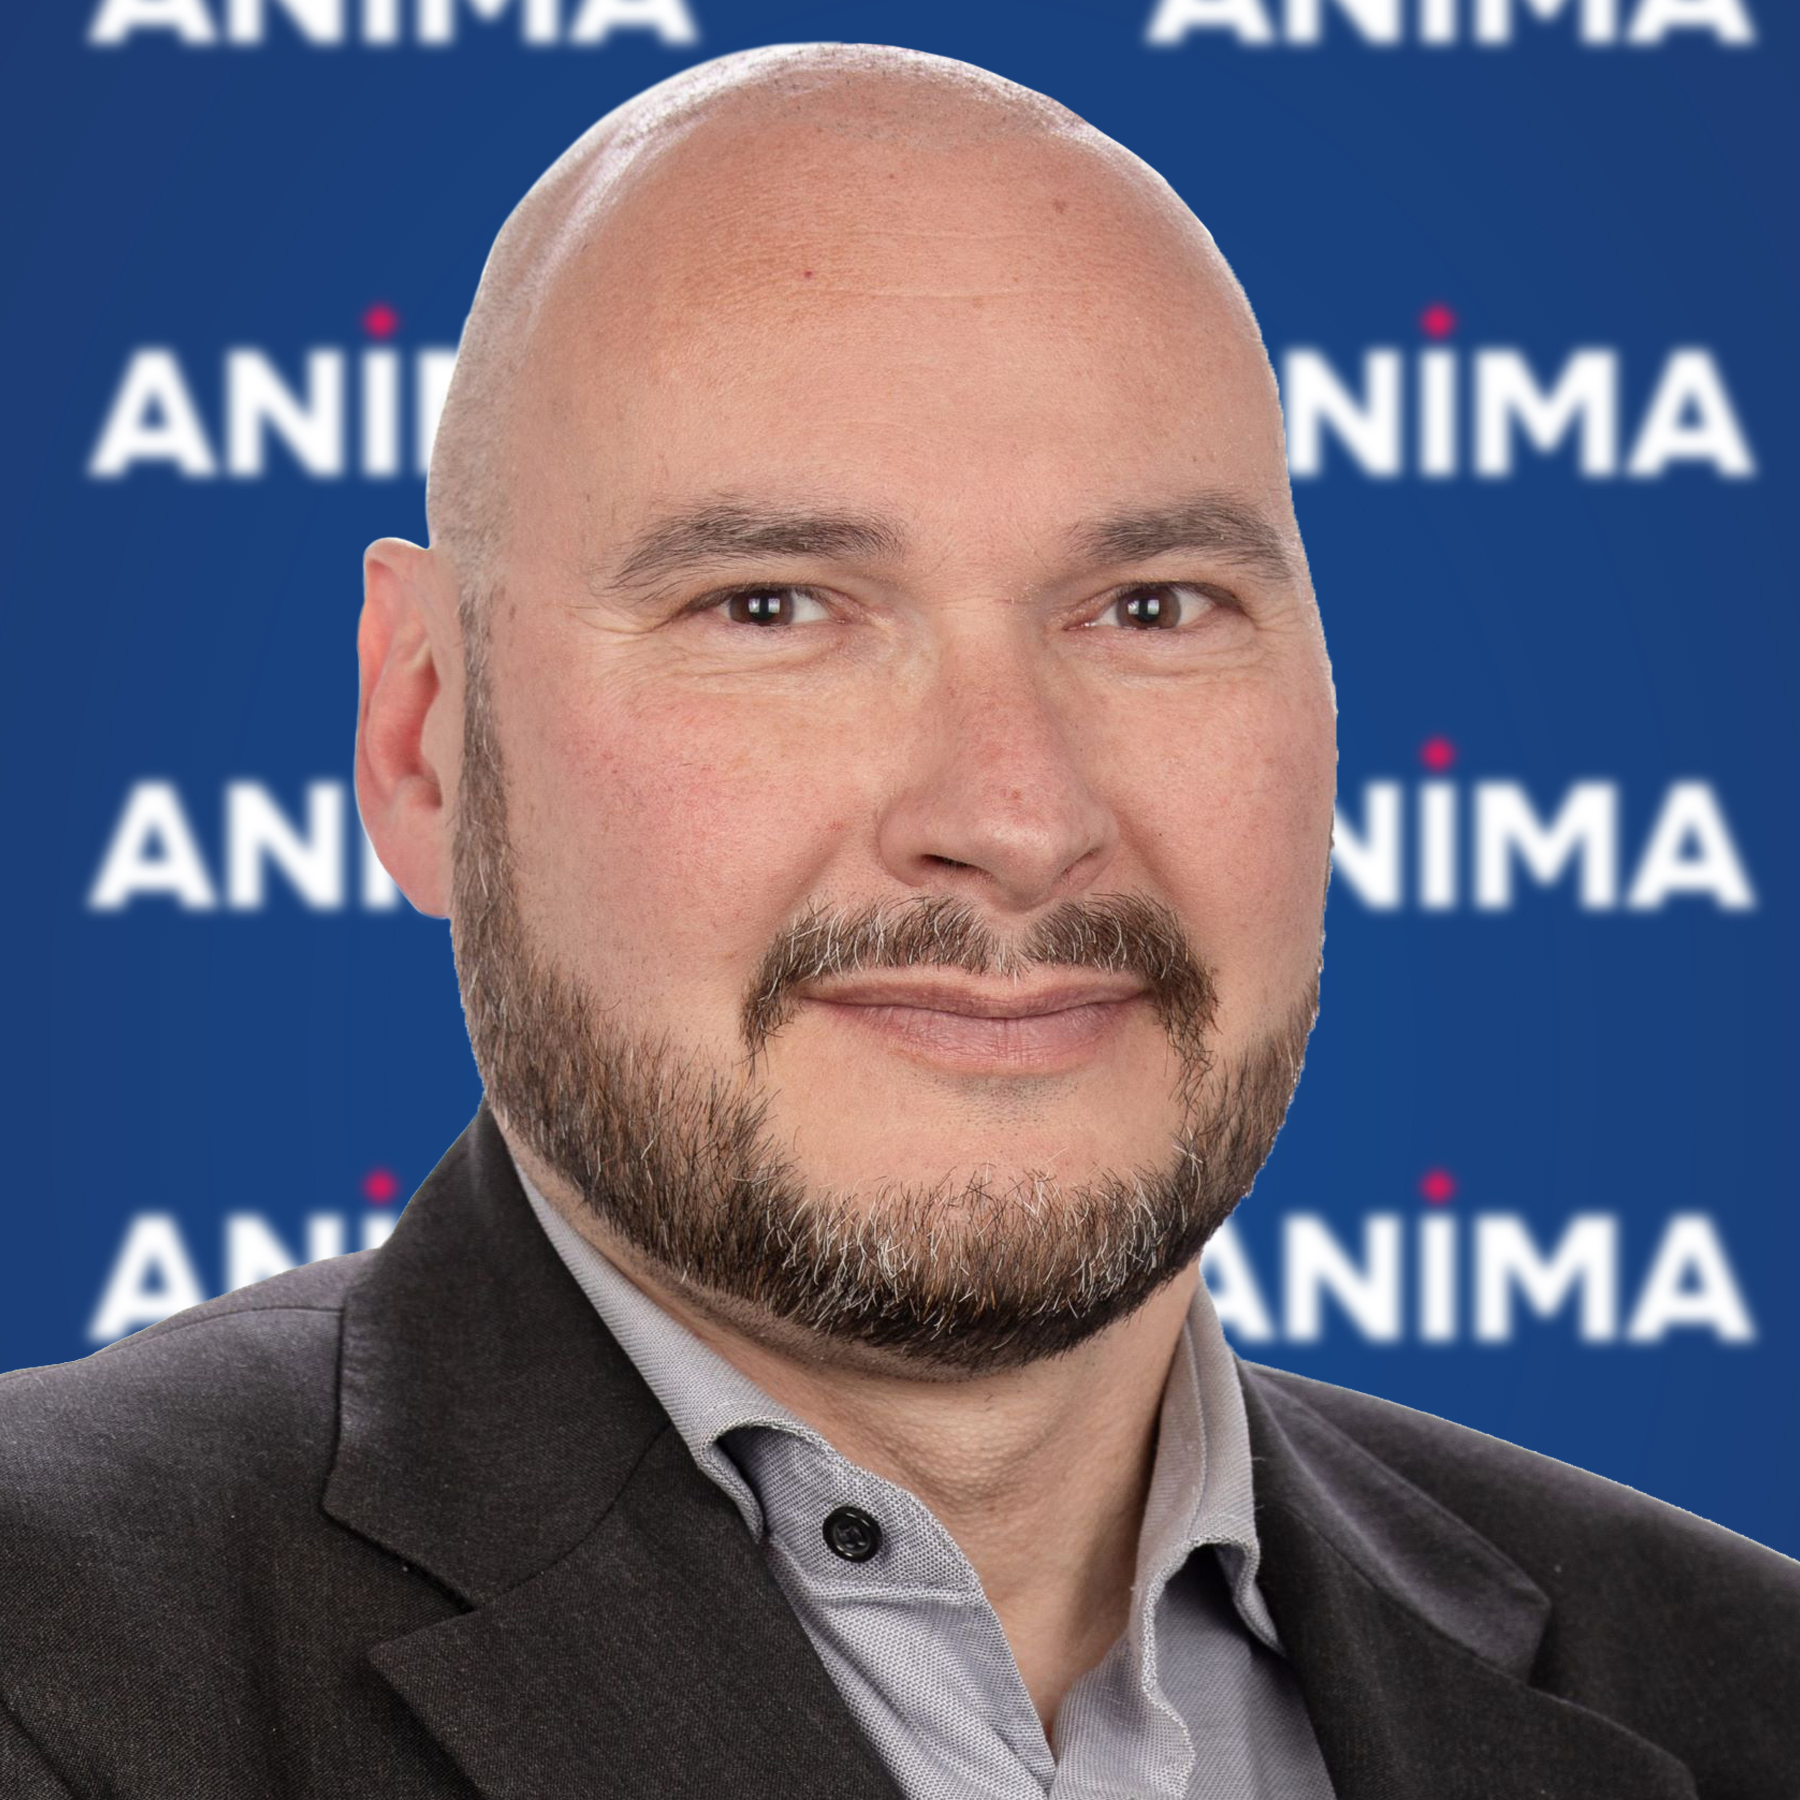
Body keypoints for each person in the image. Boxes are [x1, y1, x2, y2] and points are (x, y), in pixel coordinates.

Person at [2, 40, 1794, 1800]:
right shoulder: (52, 1654)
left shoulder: (1745, 1692)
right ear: (423, 737)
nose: (1015, 820)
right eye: (772, 607)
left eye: (1152, 606)